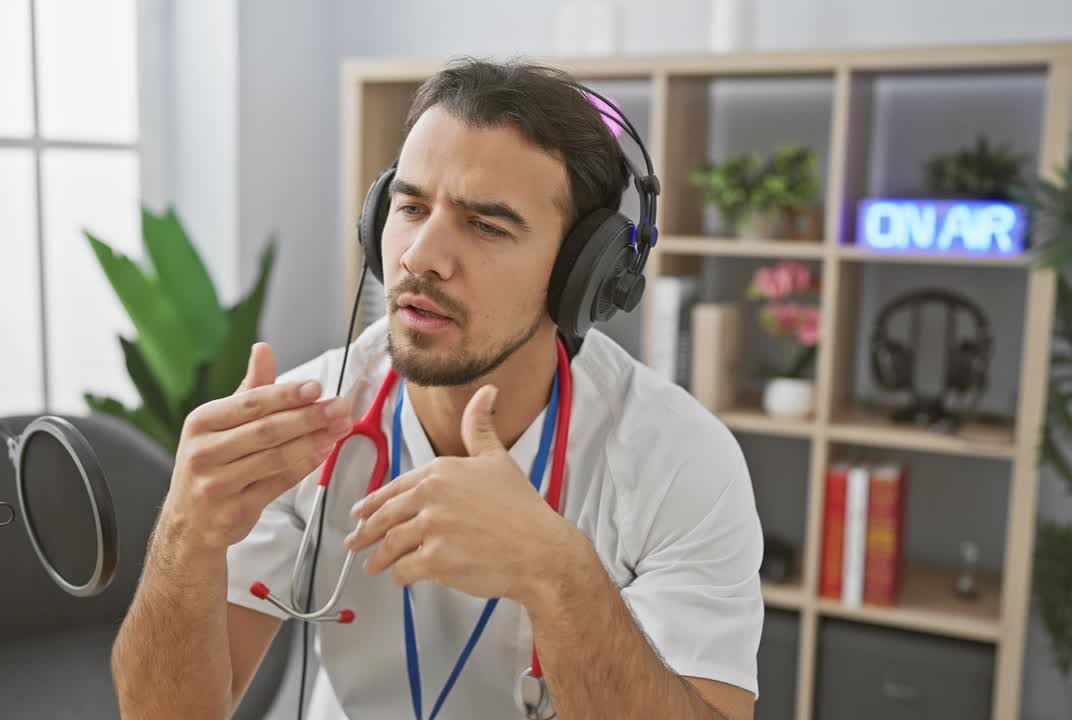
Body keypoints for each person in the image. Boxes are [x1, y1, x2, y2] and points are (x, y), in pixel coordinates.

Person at [111, 57, 764, 720]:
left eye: (487, 225)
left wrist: (559, 576)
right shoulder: (303, 424)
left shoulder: (678, 459)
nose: (421, 256)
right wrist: (184, 536)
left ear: (582, 277)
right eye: (412, 207)